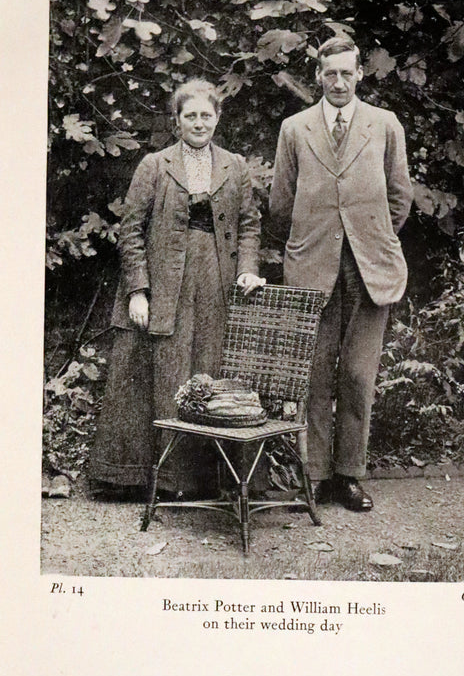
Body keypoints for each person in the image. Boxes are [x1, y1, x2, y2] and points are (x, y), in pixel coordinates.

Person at [89, 78, 264, 498]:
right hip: (167, 286)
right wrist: (137, 291)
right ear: (177, 121)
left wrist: (247, 269)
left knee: (209, 373)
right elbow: (131, 231)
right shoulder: (155, 165)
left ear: (218, 119)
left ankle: (208, 482)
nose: (199, 123)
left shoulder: (234, 166)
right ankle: (161, 482)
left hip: (218, 287)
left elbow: (249, 226)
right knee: (166, 375)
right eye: (191, 116)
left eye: (207, 115)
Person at [269, 38, 413, 512]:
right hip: (313, 268)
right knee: (313, 375)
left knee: (356, 374)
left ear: (359, 75)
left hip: (370, 269)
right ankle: (314, 476)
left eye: (346, 74)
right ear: (317, 75)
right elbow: (281, 204)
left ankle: (348, 475)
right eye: (329, 74)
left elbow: (399, 196)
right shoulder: (294, 129)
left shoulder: (385, 125)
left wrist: (368, 237)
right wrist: (314, 240)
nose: (338, 83)